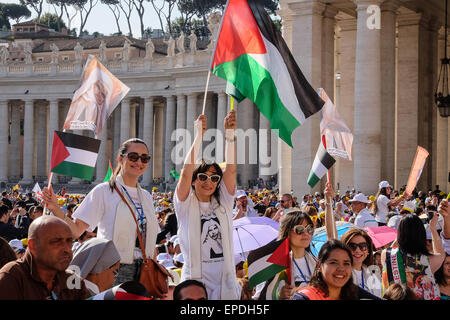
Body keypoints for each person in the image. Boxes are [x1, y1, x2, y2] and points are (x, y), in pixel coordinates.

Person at [42, 138, 159, 286]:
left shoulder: (147, 197)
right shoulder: (104, 191)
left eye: (145, 158)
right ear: (120, 159)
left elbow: (151, 240)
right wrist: (55, 208)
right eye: (133, 157)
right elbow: (77, 230)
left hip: (145, 271)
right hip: (113, 270)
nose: (139, 162)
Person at [174, 110, 241, 300]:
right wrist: (198, 137)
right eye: (202, 176)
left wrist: (229, 134)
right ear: (195, 180)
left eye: (214, 178)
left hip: (225, 284)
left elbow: (232, 169)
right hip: (194, 284)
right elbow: (186, 173)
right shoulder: (185, 205)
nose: (208, 182)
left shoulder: (224, 204)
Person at [0, 216, 90, 300]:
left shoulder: (72, 280)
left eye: (69, 241)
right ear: (33, 245)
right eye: (56, 242)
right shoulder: (11, 278)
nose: (67, 249)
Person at [254, 209, 317, 300]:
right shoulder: (272, 264)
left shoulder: (317, 263)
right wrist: (278, 295)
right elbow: (259, 297)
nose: (306, 233)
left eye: (309, 229)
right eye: (299, 229)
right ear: (287, 232)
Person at [381, 214, 444, 300]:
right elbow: (440, 253)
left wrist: (401, 235)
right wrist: (432, 227)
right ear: (422, 234)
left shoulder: (386, 254)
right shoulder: (429, 260)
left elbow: (391, 249)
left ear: (399, 234)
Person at [292, 240, 380, 300]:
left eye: (346, 263)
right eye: (333, 262)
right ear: (319, 265)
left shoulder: (354, 292)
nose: (341, 268)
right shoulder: (305, 297)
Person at [340, 229, 382, 297]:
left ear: (368, 250)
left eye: (363, 246)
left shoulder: (373, 274)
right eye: (352, 246)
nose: (357, 250)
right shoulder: (340, 274)